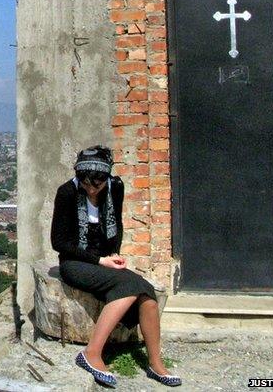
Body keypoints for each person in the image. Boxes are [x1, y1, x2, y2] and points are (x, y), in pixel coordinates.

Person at [50, 145, 181, 388]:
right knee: (130, 286)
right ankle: (91, 354)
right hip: (75, 263)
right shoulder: (67, 192)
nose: (90, 188)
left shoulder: (115, 187)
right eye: (85, 183)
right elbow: (59, 242)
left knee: (147, 295)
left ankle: (155, 363)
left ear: (106, 178)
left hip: (104, 260)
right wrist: (100, 261)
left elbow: (117, 225)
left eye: (96, 185)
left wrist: (114, 254)